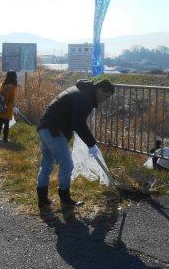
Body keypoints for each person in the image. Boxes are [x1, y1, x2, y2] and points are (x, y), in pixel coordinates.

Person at [36, 79, 115, 209]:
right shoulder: (85, 97)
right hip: (54, 130)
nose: (104, 100)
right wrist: (91, 144)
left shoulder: (81, 91)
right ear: (100, 90)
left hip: (45, 127)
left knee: (47, 164)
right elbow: (78, 122)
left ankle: (43, 201)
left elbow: (70, 119)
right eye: (106, 96)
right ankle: (65, 199)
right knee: (67, 164)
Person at [0, 71, 17, 143]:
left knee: (0, 123)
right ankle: (5, 139)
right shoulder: (13, 87)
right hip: (7, 107)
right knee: (6, 124)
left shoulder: (2, 84)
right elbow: (11, 98)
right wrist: (12, 107)